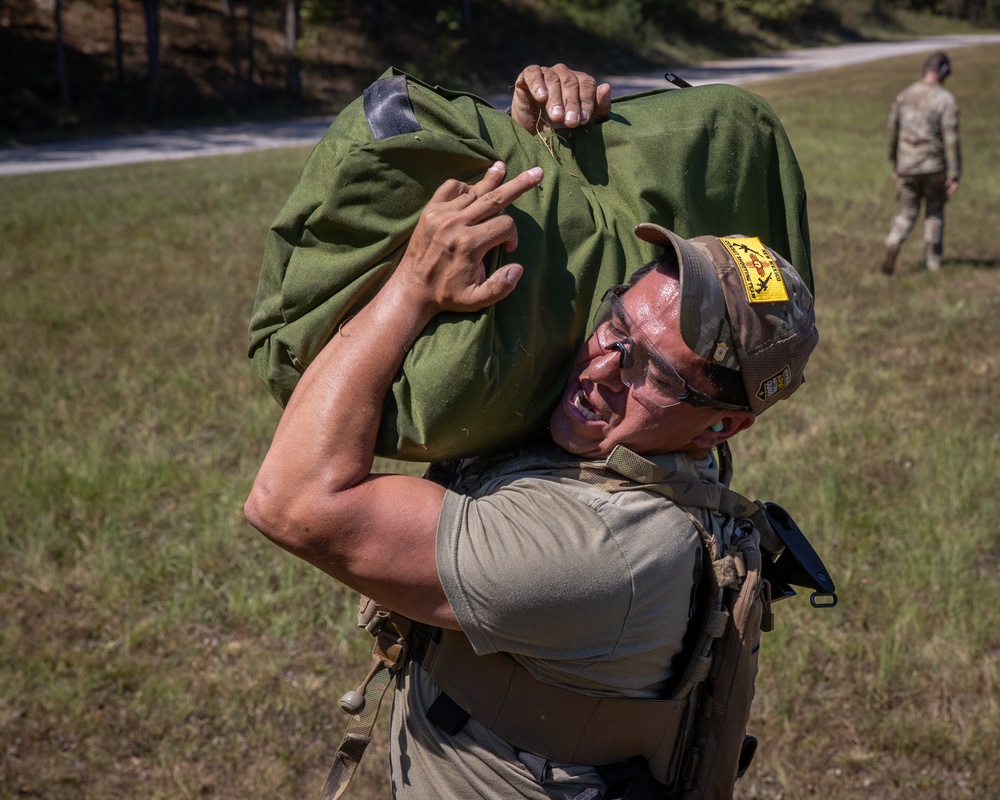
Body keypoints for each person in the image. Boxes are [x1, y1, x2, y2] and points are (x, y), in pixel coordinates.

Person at [244, 65, 818, 799]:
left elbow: (290, 503)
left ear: (721, 425)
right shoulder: (663, 444)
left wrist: (412, 285)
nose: (600, 364)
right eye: (614, 317)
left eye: (649, 367)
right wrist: (544, 151)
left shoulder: (601, 554)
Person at [880, 51, 961, 274]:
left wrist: (895, 163)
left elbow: (892, 134)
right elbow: (951, 139)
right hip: (935, 168)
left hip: (907, 166)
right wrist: (954, 172)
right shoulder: (945, 100)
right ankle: (933, 261)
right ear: (943, 73)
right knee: (934, 213)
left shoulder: (904, 96)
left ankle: (893, 240)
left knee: (906, 212)